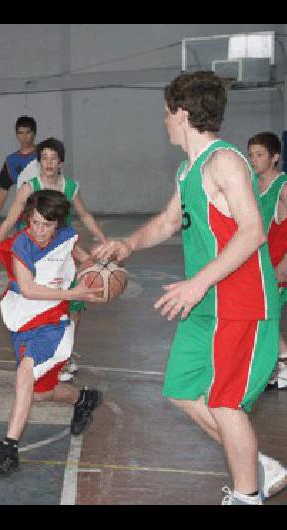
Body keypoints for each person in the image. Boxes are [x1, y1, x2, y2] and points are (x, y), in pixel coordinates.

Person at [93, 71, 287, 505]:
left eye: (165, 113)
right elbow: (166, 221)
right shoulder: (188, 171)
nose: (163, 121)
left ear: (181, 113)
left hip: (240, 303)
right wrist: (129, 243)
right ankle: (259, 467)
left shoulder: (225, 162)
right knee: (181, 390)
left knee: (224, 402)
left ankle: (246, 494)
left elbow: (253, 231)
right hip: (207, 307)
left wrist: (197, 283)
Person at [0, 190, 104, 478]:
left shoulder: (66, 237)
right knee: (39, 394)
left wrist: (99, 270)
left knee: (24, 375)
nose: (39, 230)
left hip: (52, 321)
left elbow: (83, 259)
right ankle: (82, 399)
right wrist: (73, 291)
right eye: (34, 222)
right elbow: (28, 289)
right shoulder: (21, 244)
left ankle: (9, 449)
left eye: (46, 225)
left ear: (58, 225)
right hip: (23, 315)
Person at [0, 137, 106, 382]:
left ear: (61, 162)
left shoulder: (69, 187)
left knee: (75, 306)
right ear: (39, 162)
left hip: (62, 253)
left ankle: (64, 355)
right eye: (44, 158)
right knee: (36, 301)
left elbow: (86, 216)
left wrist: (104, 240)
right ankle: (34, 353)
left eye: (53, 158)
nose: (48, 162)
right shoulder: (29, 187)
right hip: (34, 254)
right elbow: (9, 221)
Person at [247, 132, 287, 389]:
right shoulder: (252, 185)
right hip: (258, 266)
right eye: (250, 155)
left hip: (278, 266)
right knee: (259, 316)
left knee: (265, 316)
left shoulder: (282, 185)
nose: (253, 160)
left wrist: (284, 264)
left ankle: (283, 363)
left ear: (275, 157)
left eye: (259, 155)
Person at [0, 116, 39, 235]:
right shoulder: (11, 161)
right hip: (23, 214)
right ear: (16, 135)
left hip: (46, 211)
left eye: (28, 132)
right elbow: (3, 190)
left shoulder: (44, 156)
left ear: (34, 133)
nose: (24, 137)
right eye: (20, 133)